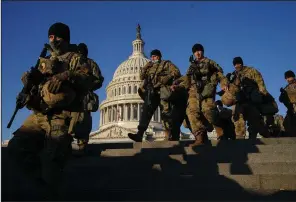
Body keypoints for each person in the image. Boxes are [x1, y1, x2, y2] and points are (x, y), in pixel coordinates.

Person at [7, 22, 97, 196]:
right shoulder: (44, 60)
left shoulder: (76, 58)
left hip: (61, 116)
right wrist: (28, 87)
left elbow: (90, 79)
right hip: (39, 114)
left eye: (56, 36)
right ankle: (41, 185)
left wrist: (67, 75)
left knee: (52, 162)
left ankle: (50, 189)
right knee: (16, 147)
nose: (53, 39)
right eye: (50, 36)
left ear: (65, 38)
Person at [171, 43, 228, 146]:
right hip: (193, 92)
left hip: (206, 91)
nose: (197, 53)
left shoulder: (210, 62)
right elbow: (187, 80)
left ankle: (221, 130)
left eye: (199, 50)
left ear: (202, 51)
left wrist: (224, 84)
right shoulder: (191, 66)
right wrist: (177, 86)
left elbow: (220, 74)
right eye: (195, 51)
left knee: (208, 111)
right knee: (191, 112)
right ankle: (199, 137)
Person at [128, 49, 182, 142]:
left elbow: (177, 72)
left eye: (155, 56)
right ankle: (139, 134)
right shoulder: (149, 66)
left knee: (166, 114)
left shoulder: (166, 64)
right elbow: (141, 77)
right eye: (152, 56)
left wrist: (167, 78)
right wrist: (145, 66)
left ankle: (169, 135)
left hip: (162, 92)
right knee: (146, 112)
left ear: (159, 56)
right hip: (151, 92)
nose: (154, 58)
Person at [72, 43, 104, 152]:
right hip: (70, 95)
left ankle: (82, 145)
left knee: (83, 120)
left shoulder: (91, 64)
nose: (80, 53)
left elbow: (99, 80)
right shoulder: (71, 62)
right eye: (79, 51)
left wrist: (88, 85)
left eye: (82, 51)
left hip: (84, 97)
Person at [230, 56, 271, 139]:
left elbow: (260, 82)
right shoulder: (233, 75)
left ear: (242, 63)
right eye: (235, 64)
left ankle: (263, 133)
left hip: (251, 99)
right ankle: (240, 138)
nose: (237, 66)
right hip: (240, 100)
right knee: (238, 117)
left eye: (238, 63)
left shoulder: (251, 71)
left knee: (254, 120)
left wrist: (262, 94)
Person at [279, 70, 296, 137]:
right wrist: (283, 93)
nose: (288, 79)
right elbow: (281, 99)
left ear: (293, 77)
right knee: (286, 123)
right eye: (286, 78)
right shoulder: (287, 88)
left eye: (289, 77)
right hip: (291, 108)